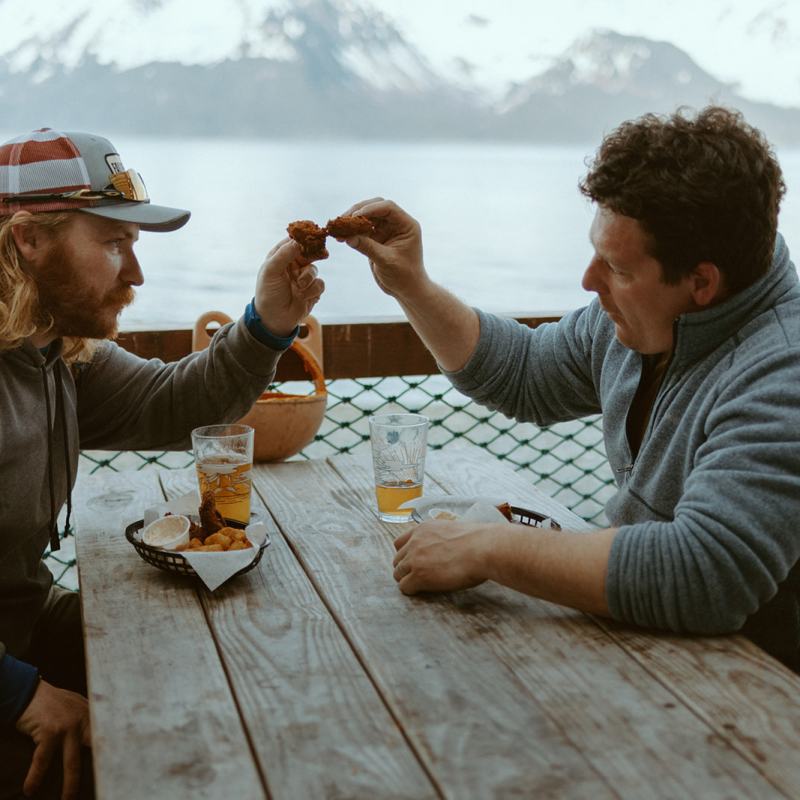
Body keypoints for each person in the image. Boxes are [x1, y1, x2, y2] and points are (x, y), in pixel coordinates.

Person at [340, 106, 800, 671]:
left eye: (618, 269)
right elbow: (526, 372)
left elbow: (706, 572)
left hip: (760, 697)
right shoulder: (640, 319)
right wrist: (409, 284)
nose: (589, 282)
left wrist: (488, 547)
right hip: (653, 652)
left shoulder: (782, 370)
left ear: (702, 282)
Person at [0, 128, 325, 799]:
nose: (136, 274)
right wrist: (21, 695)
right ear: (31, 240)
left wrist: (267, 322)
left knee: (209, 673)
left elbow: (171, 403)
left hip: (21, 626)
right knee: (154, 767)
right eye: (113, 244)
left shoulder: (52, 351)